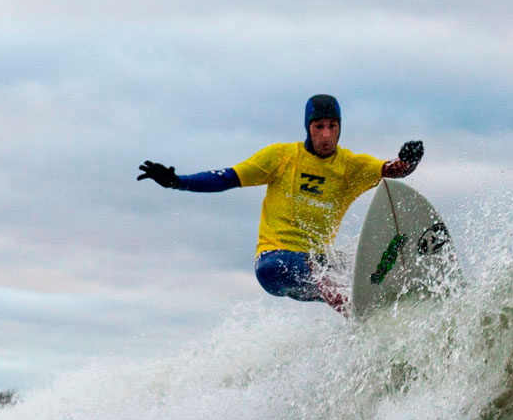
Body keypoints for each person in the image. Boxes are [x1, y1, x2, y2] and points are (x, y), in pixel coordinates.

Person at [137, 94, 423, 313]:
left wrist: (408, 161)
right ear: (307, 127)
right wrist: (177, 182)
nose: (326, 135)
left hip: (317, 274)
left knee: (356, 267)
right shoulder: (281, 157)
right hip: (274, 265)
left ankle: (395, 309)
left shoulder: (350, 166)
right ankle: (359, 314)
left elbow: (392, 171)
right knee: (324, 267)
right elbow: (226, 178)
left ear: (339, 127)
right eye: (318, 126)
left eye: (332, 126)